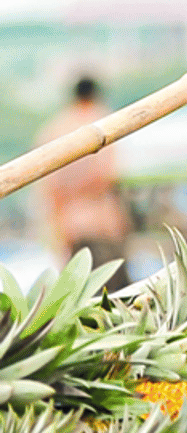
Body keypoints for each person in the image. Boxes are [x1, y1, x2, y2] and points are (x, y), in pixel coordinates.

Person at [35, 77, 131, 290]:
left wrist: (58, 230)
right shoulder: (102, 122)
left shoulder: (55, 128)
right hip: (101, 223)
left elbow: (50, 189)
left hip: (70, 224)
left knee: (79, 298)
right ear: (94, 95)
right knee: (114, 297)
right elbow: (107, 176)